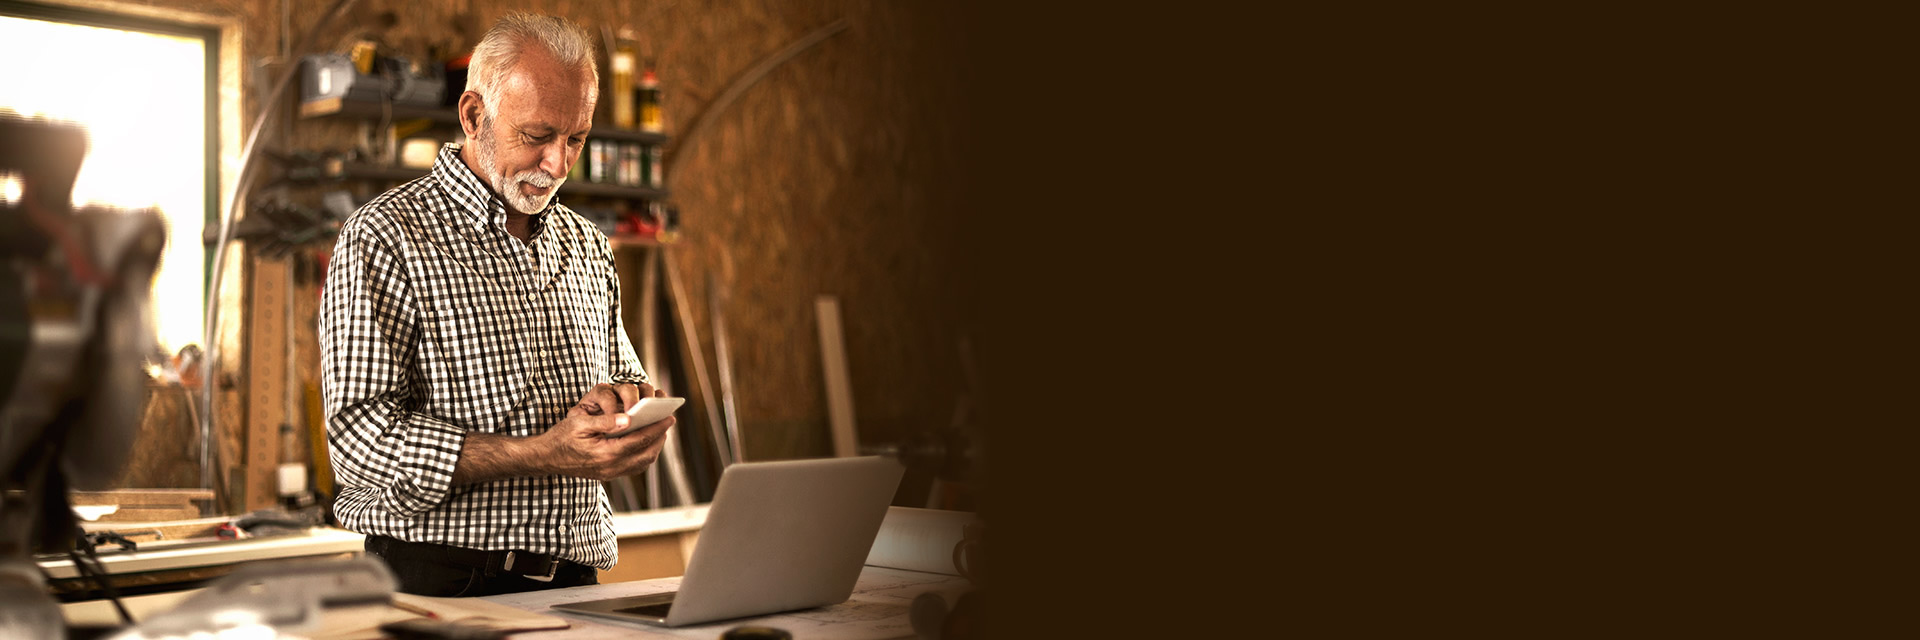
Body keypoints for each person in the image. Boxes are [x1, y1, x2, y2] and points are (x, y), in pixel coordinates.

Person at [319, 13, 675, 597]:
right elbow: (362, 443)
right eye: (536, 135)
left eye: (576, 139)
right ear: (473, 115)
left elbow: (623, 377)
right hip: (441, 582)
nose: (558, 163)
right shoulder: (386, 236)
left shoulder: (586, 244)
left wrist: (629, 413)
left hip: (573, 581)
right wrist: (540, 453)